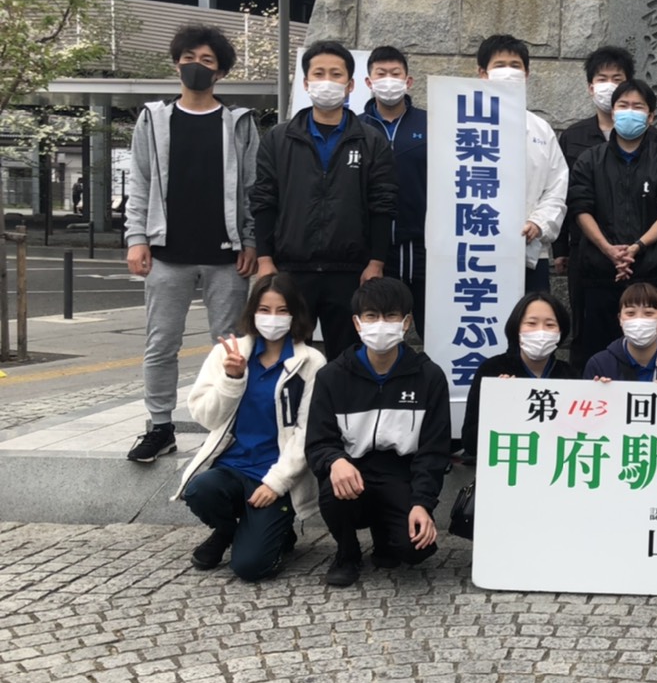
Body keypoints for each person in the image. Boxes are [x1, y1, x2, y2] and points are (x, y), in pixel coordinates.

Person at [125, 24, 260, 463]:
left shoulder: (238, 123)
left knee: (230, 346)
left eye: (206, 61)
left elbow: (253, 190)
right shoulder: (153, 118)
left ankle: (226, 427)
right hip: (167, 253)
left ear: (220, 72)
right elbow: (140, 183)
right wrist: (137, 238)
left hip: (226, 255)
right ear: (175, 62)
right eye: (189, 58)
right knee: (161, 343)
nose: (196, 66)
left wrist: (251, 240)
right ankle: (159, 426)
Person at [174, 273, 325, 581]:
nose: (273, 318)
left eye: (282, 310)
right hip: (232, 468)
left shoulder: (311, 362)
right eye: (265, 310)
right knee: (200, 491)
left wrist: (276, 483)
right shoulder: (229, 353)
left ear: (296, 314)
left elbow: (307, 433)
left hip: (276, 475)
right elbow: (206, 416)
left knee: (250, 567)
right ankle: (228, 531)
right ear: (252, 312)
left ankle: (277, 534)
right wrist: (232, 380)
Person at [252, 40, 397, 361]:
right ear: (306, 83)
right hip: (291, 269)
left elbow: (382, 205)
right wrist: (265, 259)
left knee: (346, 359)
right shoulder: (279, 138)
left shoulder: (371, 140)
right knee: (286, 356)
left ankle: (338, 413)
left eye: (336, 74)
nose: (327, 81)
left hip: (350, 272)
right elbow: (264, 200)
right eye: (319, 74)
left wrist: (376, 261)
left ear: (350, 85)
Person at [306, 277, 452, 587]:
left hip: (401, 474)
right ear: (357, 324)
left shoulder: (429, 377)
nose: (381, 325)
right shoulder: (332, 376)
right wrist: (335, 460)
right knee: (335, 485)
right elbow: (318, 442)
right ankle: (347, 552)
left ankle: (386, 537)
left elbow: (434, 451)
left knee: (417, 550)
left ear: (407, 322)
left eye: (391, 316)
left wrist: (422, 504)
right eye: (372, 316)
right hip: (353, 471)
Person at [553, 46, 657, 369]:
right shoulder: (573, 136)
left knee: (640, 330)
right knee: (585, 333)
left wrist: (634, 249)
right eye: (602, 78)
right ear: (590, 86)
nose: (609, 84)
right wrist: (561, 247)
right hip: (586, 252)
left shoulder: (654, 140)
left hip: (640, 255)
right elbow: (564, 193)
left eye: (617, 78)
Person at [567, 78, 657, 363]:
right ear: (612, 112)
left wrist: (636, 247)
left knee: (648, 355)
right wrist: (608, 250)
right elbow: (580, 209)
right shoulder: (589, 160)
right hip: (599, 274)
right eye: (623, 106)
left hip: (648, 273)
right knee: (597, 358)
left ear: (650, 117)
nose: (629, 111)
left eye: (638, 107)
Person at [475, 34, 568, 293]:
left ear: (526, 74)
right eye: (499, 65)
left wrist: (539, 223)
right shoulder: (462, 126)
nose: (508, 72)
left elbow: (556, 188)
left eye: (515, 66)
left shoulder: (540, 129)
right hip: (473, 252)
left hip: (528, 251)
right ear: (483, 74)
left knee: (530, 323)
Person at [360, 45, 429, 339]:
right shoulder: (355, 127)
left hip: (424, 248)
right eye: (381, 74)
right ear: (368, 82)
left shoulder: (432, 123)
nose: (389, 80)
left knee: (433, 331)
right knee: (380, 332)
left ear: (408, 81)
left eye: (395, 74)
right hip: (371, 251)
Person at [462, 291, 575, 455]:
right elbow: (470, 443)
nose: (541, 332)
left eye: (550, 325)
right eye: (531, 323)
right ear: (517, 328)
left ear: (560, 332)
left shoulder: (570, 376)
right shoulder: (492, 370)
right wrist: (497, 407)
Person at [584, 281, 657, 383]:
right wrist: (600, 392)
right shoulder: (599, 365)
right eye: (630, 313)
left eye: (648, 313)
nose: (639, 320)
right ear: (620, 319)